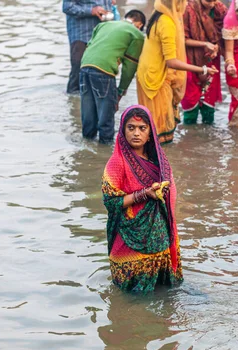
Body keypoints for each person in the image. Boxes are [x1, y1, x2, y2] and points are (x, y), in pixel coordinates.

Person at [102, 105, 183, 293]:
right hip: (130, 237)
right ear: (123, 131)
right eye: (131, 128)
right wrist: (145, 194)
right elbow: (111, 202)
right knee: (132, 295)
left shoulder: (159, 161)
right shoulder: (116, 163)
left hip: (160, 238)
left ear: (150, 133)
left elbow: (170, 191)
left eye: (142, 128)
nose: (136, 133)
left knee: (166, 294)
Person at [137, 0, 218, 144]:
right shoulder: (167, 23)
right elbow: (172, 62)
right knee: (160, 129)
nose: (186, 5)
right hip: (156, 79)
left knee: (154, 126)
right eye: (183, 2)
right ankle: (160, 162)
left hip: (151, 73)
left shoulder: (159, 15)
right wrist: (203, 69)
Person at [80, 10, 146, 144]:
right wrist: (120, 92)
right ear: (139, 24)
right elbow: (129, 67)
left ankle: (86, 147)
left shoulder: (104, 25)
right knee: (106, 117)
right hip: (104, 71)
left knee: (88, 113)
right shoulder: (137, 34)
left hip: (84, 67)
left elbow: (89, 46)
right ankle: (105, 151)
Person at [182, 0, 228, 125]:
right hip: (191, 59)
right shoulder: (188, 9)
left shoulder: (220, 10)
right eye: (208, 1)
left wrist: (216, 47)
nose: (212, 4)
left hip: (212, 59)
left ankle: (208, 140)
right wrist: (204, 44)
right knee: (190, 99)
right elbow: (182, 39)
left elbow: (225, 35)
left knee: (209, 99)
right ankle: (190, 138)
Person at [62, 0, 120, 94]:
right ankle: (74, 103)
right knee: (78, 68)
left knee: (102, 68)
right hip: (81, 33)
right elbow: (67, 7)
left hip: (103, 32)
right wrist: (91, 10)